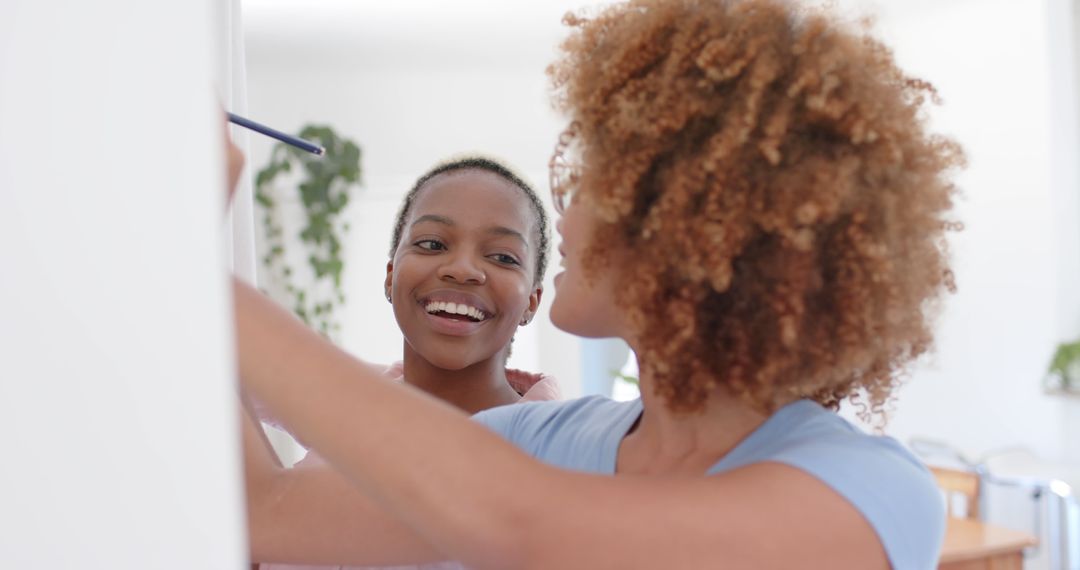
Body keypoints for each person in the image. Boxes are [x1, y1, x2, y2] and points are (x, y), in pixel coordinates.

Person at [233, 0, 963, 567]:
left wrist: (216, 295)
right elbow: (271, 507)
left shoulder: (870, 493)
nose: (567, 207)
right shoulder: (542, 438)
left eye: (595, 180)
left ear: (689, 227)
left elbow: (521, 527)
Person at [247, 156, 560, 569]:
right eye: (432, 244)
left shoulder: (556, 459)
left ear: (532, 301)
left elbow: (268, 515)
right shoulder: (351, 399)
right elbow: (213, 367)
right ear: (390, 275)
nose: (462, 269)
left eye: (503, 257)